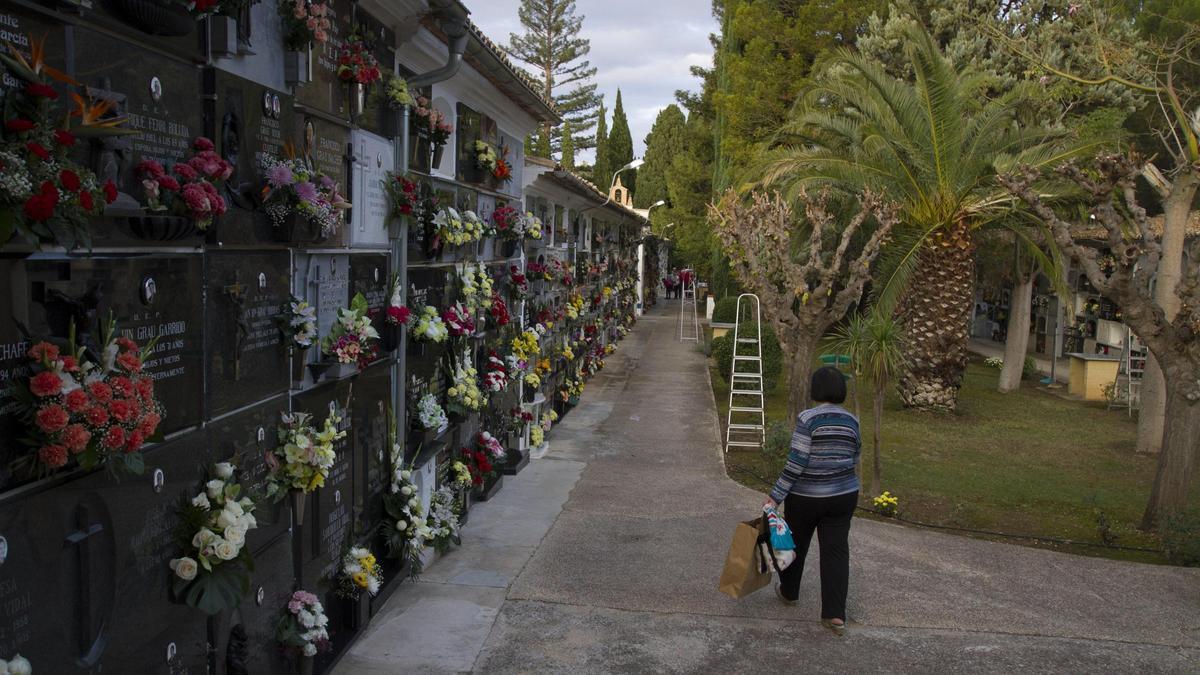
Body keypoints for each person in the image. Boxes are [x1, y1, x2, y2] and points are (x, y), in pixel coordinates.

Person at [763, 366, 861, 636]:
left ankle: (789, 592)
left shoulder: (807, 419)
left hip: (807, 497)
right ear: (841, 389)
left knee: (795, 545)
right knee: (836, 552)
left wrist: (775, 496)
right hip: (843, 496)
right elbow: (855, 456)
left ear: (815, 389)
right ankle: (835, 616)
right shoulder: (853, 420)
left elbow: (797, 462)